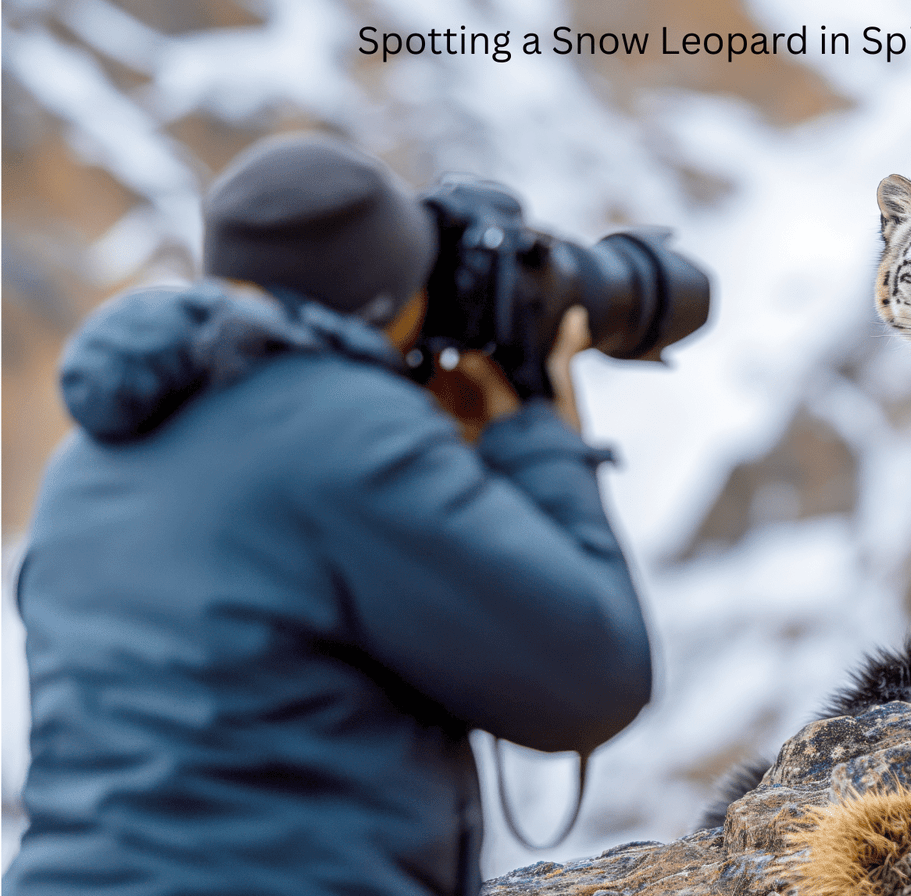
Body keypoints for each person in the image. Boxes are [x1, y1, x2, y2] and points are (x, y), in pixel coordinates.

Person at [4, 134, 653, 896]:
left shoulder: (89, 455)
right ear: (393, 300)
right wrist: (537, 427)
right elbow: (593, 676)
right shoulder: (348, 433)